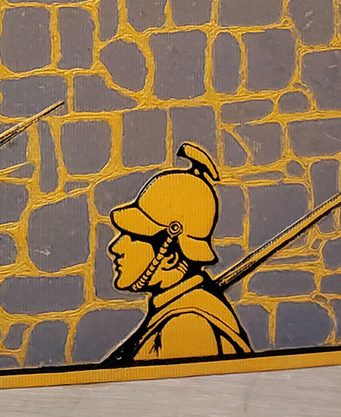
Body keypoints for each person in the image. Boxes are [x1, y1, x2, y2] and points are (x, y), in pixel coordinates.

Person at [104, 142, 251, 364]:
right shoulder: (172, 311)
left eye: (132, 236)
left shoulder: (186, 326)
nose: (114, 247)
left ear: (170, 257)